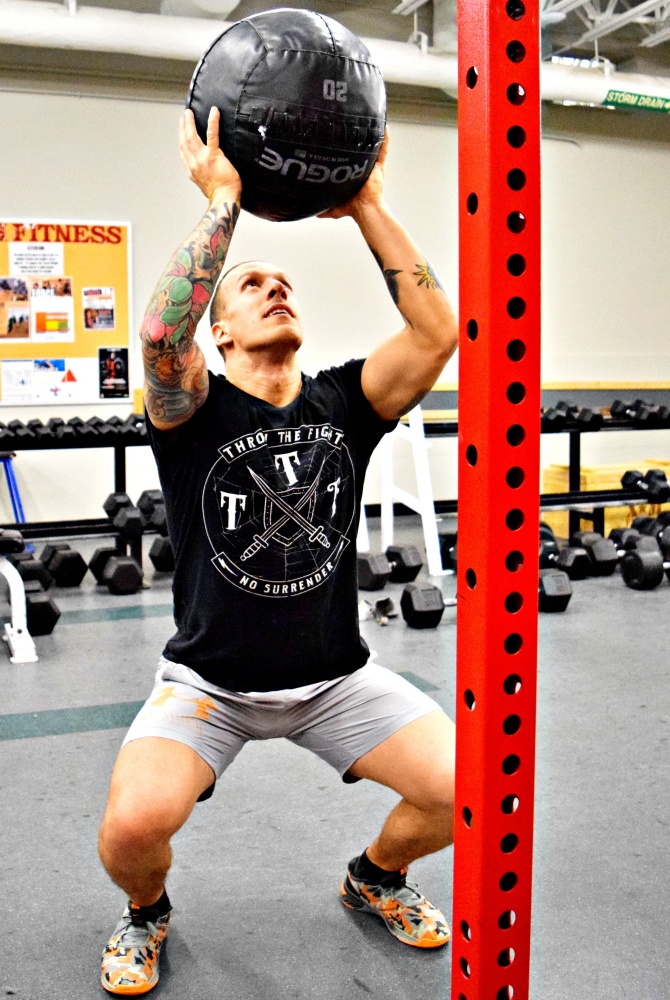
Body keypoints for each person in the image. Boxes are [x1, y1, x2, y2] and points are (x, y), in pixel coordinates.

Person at [98, 107, 459, 996]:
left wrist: (369, 202)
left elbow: (435, 335)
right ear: (218, 335)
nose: (275, 288)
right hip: (209, 684)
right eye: (252, 284)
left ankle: (375, 876)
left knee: (470, 790)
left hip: (335, 677)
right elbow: (156, 339)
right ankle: (148, 913)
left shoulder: (344, 404)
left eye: (284, 280)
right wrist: (224, 206)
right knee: (132, 830)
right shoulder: (193, 413)